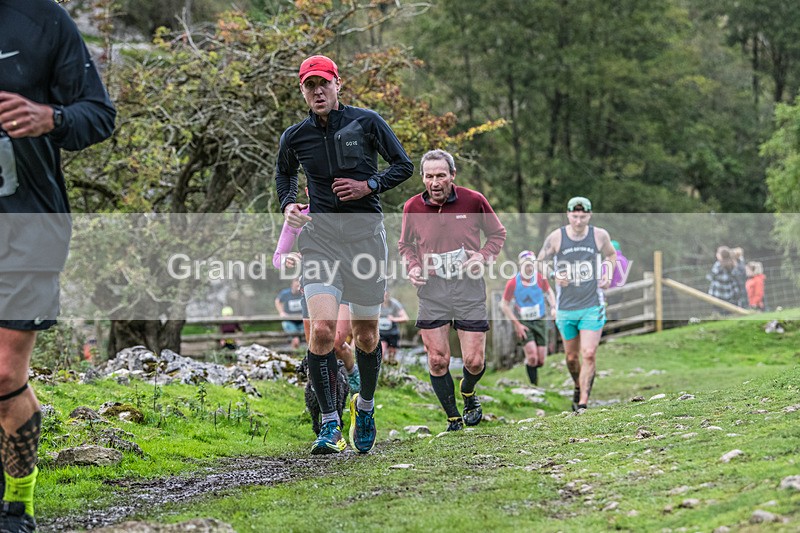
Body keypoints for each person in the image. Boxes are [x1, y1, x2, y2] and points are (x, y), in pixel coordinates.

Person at [0, 2, 116, 530]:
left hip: (28, 224)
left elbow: (99, 114)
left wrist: (52, 117)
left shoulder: (42, 18)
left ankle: (17, 501)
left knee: (3, 369)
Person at [275, 55, 413, 454]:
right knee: (321, 332)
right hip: (318, 240)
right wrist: (287, 203)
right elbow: (284, 174)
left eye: (324, 83)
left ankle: (365, 407)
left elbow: (403, 165)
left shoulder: (367, 122)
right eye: (309, 85)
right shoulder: (294, 136)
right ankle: (330, 424)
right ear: (302, 91)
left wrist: (368, 184)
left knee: (367, 336)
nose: (317, 91)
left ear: (338, 84)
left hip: (365, 237)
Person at [399, 149, 507, 432]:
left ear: (452, 176)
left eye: (441, 175)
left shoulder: (474, 200)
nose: (435, 182)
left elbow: (497, 234)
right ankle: (452, 418)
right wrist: (412, 267)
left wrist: (481, 257)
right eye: (429, 176)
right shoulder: (412, 207)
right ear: (422, 177)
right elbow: (405, 245)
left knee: (473, 361)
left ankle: (469, 392)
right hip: (432, 289)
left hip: (468, 287)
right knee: (437, 360)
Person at [537, 196, 615, 412]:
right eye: (575, 216)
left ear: (589, 215)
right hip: (566, 308)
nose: (579, 221)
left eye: (583, 216)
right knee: (571, 358)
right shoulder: (556, 237)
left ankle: (583, 403)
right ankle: (577, 385)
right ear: (568, 215)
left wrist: (607, 274)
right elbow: (539, 263)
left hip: (592, 304)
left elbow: (610, 255)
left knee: (588, 353)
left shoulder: (599, 235)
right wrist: (554, 275)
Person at [272, 207, 361, 393]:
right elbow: (277, 257)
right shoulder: (297, 215)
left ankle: (352, 373)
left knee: (336, 342)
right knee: (316, 344)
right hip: (313, 285)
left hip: (345, 283)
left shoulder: (343, 211)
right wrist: (286, 259)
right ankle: (323, 395)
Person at [500, 251, 556, 386]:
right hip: (524, 323)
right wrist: (517, 324)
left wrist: (553, 307)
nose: (529, 268)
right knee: (532, 357)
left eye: (531, 265)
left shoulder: (540, 278)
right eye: (526, 265)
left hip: (540, 320)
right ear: (520, 265)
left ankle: (533, 374)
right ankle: (534, 386)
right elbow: (504, 304)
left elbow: (549, 292)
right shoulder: (513, 282)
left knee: (541, 360)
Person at [378, 291, 409, 366]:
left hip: (393, 333)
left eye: (385, 296)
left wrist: (393, 319)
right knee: (381, 351)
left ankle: (389, 372)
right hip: (381, 333)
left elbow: (406, 318)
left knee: (391, 357)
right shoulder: (376, 305)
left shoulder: (394, 304)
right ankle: (379, 371)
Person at [274, 278, 305, 349]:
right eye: (296, 284)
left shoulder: (304, 293)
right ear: (292, 285)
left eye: (299, 285)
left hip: (302, 320)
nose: (297, 286)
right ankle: (295, 351)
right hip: (289, 320)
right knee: (295, 339)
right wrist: (281, 312)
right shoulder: (285, 293)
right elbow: (277, 301)